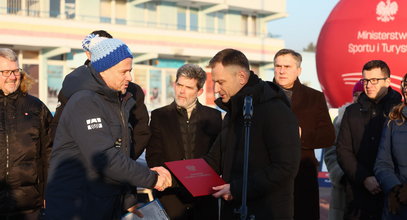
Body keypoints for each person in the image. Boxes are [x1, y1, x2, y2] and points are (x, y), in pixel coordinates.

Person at [44, 35, 172, 220]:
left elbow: (122, 153)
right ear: (105, 69)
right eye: (124, 71)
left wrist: (127, 199)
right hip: (77, 207)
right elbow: (106, 159)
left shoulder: (117, 101)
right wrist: (152, 178)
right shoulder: (84, 101)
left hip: (103, 202)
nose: (129, 77)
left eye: (130, 70)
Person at [204, 48, 301, 219]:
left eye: (221, 82)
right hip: (234, 211)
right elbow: (214, 159)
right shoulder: (233, 111)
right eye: (215, 83)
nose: (217, 89)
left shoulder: (275, 110)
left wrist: (237, 189)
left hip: (266, 212)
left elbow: (285, 167)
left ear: (241, 77)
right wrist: (171, 175)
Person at [51, 30, 150, 160]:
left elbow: (141, 131)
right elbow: (58, 128)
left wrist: (127, 160)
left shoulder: (131, 91)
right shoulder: (75, 88)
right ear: (88, 54)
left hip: (121, 167)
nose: (129, 77)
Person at [146, 64, 222, 219]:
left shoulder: (214, 117)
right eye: (179, 85)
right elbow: (154, 156)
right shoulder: (158, 116)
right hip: (170, 199)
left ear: (199, 91)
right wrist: (171, 179)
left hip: (205, 200)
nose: (181, 91)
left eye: (188, 87)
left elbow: (219, 157)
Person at [273, 48, 335, 220]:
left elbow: (328, 136)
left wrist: (301, 135)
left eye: (287, 66)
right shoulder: (260, 95)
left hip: (302, 174)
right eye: (278, 66)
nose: (282, 70)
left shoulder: (314, 97)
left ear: (298, 70)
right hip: (267, 174)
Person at [337, 60, 402, 220]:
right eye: (365, 80)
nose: (368, 85)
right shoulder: (351, 112)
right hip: (358, 195)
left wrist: (390, 183)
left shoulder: (400, 112)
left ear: (387, 81)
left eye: (374, 80)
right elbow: (343, 150)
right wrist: (364, 178)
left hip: (393, 194)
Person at [0, 48, 53, 219]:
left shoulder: (36, 107)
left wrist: (49, 191)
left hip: (29, 205)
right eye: (6, 72)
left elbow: (50, 152)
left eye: (16, 71)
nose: (12, 76)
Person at [324, 80, 364, 220]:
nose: (358, 97)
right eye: (356, 94)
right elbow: (330, 152)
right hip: (343, 187)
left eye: (362, 94)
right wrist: (341, 175)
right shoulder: (340, 119)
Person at [374, 73, 407, 219]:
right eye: (406, 85)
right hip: (397, 206)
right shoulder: (393, 120)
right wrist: (394, 189)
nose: (406, 89)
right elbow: (382, 163)